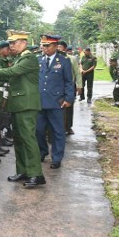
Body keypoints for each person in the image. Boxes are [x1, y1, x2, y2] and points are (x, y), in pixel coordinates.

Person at [0, 30, 45, 188]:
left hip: (26, 105)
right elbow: (9, 74)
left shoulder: (29, 58)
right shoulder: (19, 58)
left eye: (14, 42)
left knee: (28, 139)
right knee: (20, 139)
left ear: (24, 43)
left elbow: (12, 72)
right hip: (19, 104)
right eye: (10, 43)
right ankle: (23, 170)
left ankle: (36, 174)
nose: (11, 46)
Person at [37, 34, 74, 169]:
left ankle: (57, 158)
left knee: (58, 132)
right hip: (40, 101)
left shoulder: (64, 61)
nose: (44, 48)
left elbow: (69, 81)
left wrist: (69, 98)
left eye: (47, 45)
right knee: (38, 130)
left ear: (55, 46)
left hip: (56, 102)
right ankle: (42, 151)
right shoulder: (38, 60)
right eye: (43, 45)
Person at [58, 41, 81, 135]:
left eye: (60, 47)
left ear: (65, 48)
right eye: (57, 46)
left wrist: (79, 86)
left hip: (69, 85)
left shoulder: (71, 59)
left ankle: (68, 126)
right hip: (58, 87)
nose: (58, 48)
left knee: (69, 107)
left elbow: (77, 73)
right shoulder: (53, 58)